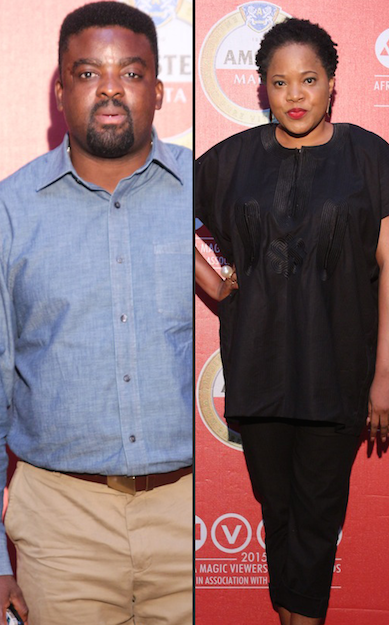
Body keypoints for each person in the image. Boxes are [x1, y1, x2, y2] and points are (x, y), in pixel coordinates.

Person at [0, 2, 193, 624]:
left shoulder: (208, 190)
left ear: (159, 90)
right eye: (87, 74)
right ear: (59, 93)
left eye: (130, 73)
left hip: (194, 516)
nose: (110, 90)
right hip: (60, 525)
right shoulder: (10, 210)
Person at [195, 17, 389, 625]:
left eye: (309, 80)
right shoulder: (230, 161)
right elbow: (156, 208)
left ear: (333, 83)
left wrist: (384, 376)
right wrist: (211, 282)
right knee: (277, 514)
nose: (295, 95)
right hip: (258, 369)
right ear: (263, 89)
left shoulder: (370, 157)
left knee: (317, 520)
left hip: (339, 372)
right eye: (280, 83)